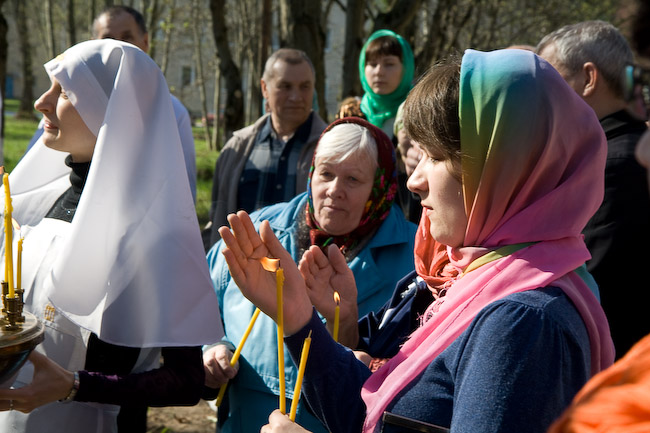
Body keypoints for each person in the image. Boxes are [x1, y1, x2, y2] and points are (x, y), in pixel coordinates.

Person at [218, 49, 615, 433]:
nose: (414, 180)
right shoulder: (472, 278)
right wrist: (297, 317)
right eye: (417, 154)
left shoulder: (523, 323)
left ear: (503, 166)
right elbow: (375, 415)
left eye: (435, 156)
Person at [0, 39, 223, 433]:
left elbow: (187, 380)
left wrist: (75, 386)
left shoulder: (157, 234)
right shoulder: (39, 201)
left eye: (63, 92)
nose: (41, 103)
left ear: (112, 111)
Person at [203, 117, 417, 433]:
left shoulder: (417, 257)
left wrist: (350, 331)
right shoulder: (260, 232)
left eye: (353, 179)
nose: (334, 190)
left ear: (379, 186)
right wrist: (211, 348)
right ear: (312, 173)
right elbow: (201, 307)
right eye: (326, 174)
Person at [537, 21, 650, 358]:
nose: (539, 100)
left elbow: (590, 285)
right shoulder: (612, 155)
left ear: (588, 78)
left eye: (549, 83)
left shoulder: (614, 166)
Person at [24, 5, 198, 204]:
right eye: (107, 39)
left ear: (145, 41)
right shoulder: (57, 111)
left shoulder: (172, 111)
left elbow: (181, 191)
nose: (115, 46)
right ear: (92, 44)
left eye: (126, 38)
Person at [206, 48, 328, 249]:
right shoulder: (237, 149)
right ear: (264, 88)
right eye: (285, 86)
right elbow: (217, 219)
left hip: (304, 267)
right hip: (238, 267)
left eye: (304, 87)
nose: (296, 96)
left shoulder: (330, 149)